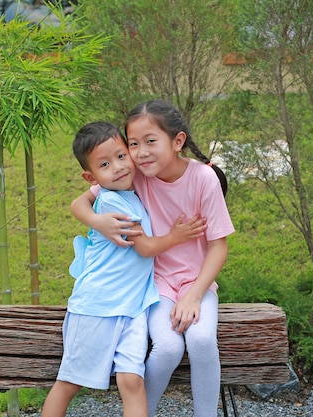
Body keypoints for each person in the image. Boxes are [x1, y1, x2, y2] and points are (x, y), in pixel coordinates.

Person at [70, 100, 235, 417]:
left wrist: (194, 295)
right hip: (154, 283)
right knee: (169, 346)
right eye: (133, 144)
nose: (141, 152)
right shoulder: (133, 175)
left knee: (201, 341)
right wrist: (98, 222)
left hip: (196, 283)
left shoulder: (203, 179)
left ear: (177, 142)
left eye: (150, 142)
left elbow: (218, 246)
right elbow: (80, 204)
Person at [41, 121, 206, 417]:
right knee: (69, 383)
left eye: (120, 156)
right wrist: (175, 236)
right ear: (91, 176)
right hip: (98, 306)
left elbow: (80, 204)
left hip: (133, 309)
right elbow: (144, 248)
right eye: (105, 164)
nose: (117, 167)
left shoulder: (134, 188)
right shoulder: (113, 202)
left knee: (131, 380)